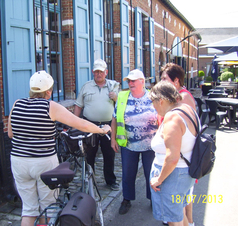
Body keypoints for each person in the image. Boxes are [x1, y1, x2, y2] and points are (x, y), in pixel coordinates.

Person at [8, 70, 111, 226]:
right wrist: (102, 129)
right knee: (47, 206)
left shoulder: (17, 104)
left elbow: (10, 134)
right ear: (49, 91)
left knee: (28, 209)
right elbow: (80, 123)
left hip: (18, 161)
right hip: (43, 162)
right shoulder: (50, 107)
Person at [149, 81, 197, 226]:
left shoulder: (172, 119)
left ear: (161, 101)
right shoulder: (186, 108)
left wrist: (158, 180)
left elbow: (172, 158)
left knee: (173, 221)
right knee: (180, 214)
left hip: (173, 177)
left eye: (153, 103)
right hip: (184, 174)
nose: (153, 107)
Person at [111, 69, 158, 215]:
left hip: (151, 145)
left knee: (151, 173)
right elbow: (114, 119)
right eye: (128, 81)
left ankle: (153, 199)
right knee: (127, 173)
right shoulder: (122, 97)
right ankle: (127, 199)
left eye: (133, 80)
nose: (130, 83)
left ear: (142, 82)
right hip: (128, 144)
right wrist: (113, 139)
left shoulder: (153, 97)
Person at [74, 59, 120, 191]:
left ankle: (110, 180)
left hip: (109, 125)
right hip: (89, 124)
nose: (98, 74)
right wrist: (74, 124)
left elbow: (121, 106)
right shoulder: (86, 86)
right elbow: (78, 106)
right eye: (96, 72)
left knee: (109, 154)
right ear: (93, 72)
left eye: (101, 71)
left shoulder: (113, 86)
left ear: (106, 72)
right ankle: (90, 181)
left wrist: (116, 98)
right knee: (89, 154)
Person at [159, 63, 196, 226]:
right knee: (181, 199)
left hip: (181, 160)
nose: (160, 82)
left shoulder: (183, 97)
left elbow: (185, 128)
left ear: (176, 81)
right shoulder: (173, 98)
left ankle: (191, 221)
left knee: (184, 198)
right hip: (177, 159)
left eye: (164, 79)